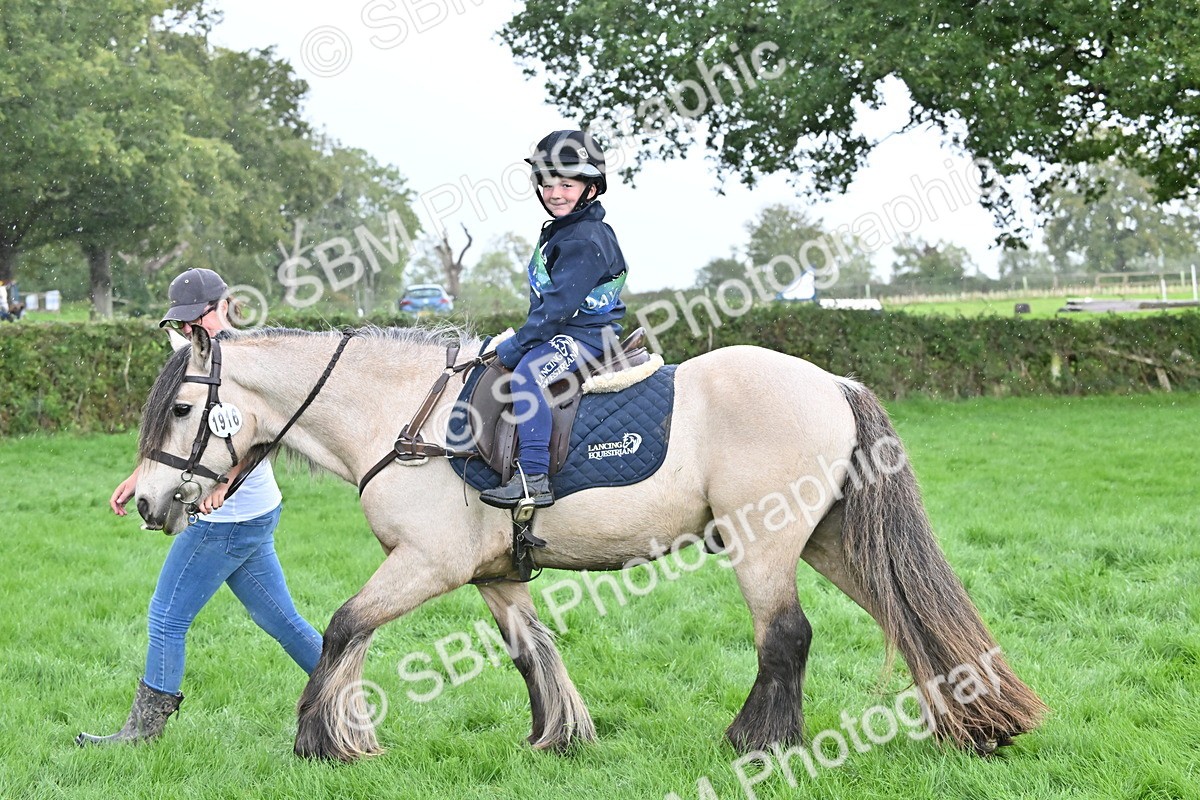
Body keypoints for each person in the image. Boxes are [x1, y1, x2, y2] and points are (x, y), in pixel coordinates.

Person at [77, 268, 323, 746]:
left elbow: (266, 435)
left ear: (225, 305)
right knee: (280, 619)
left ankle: (142, 733)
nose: (193, 331)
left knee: (167, 616)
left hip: (226, 519)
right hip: (250, 516)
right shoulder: (192, 353)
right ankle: (344, 688)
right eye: (185, 323)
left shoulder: (247, 360)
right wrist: (141, 476)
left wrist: (226, 485)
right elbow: (180, 434)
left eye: (199, 319)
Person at [479, 130, 628, 510]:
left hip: (589, 337)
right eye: (547, 183)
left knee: (528, 375)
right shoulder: (565, 231)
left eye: (566, 183)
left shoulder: (584, 239)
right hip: (570, 331)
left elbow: (556, 309)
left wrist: (515, 346)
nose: (555, 192)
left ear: (590, 189)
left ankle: (533, 480)